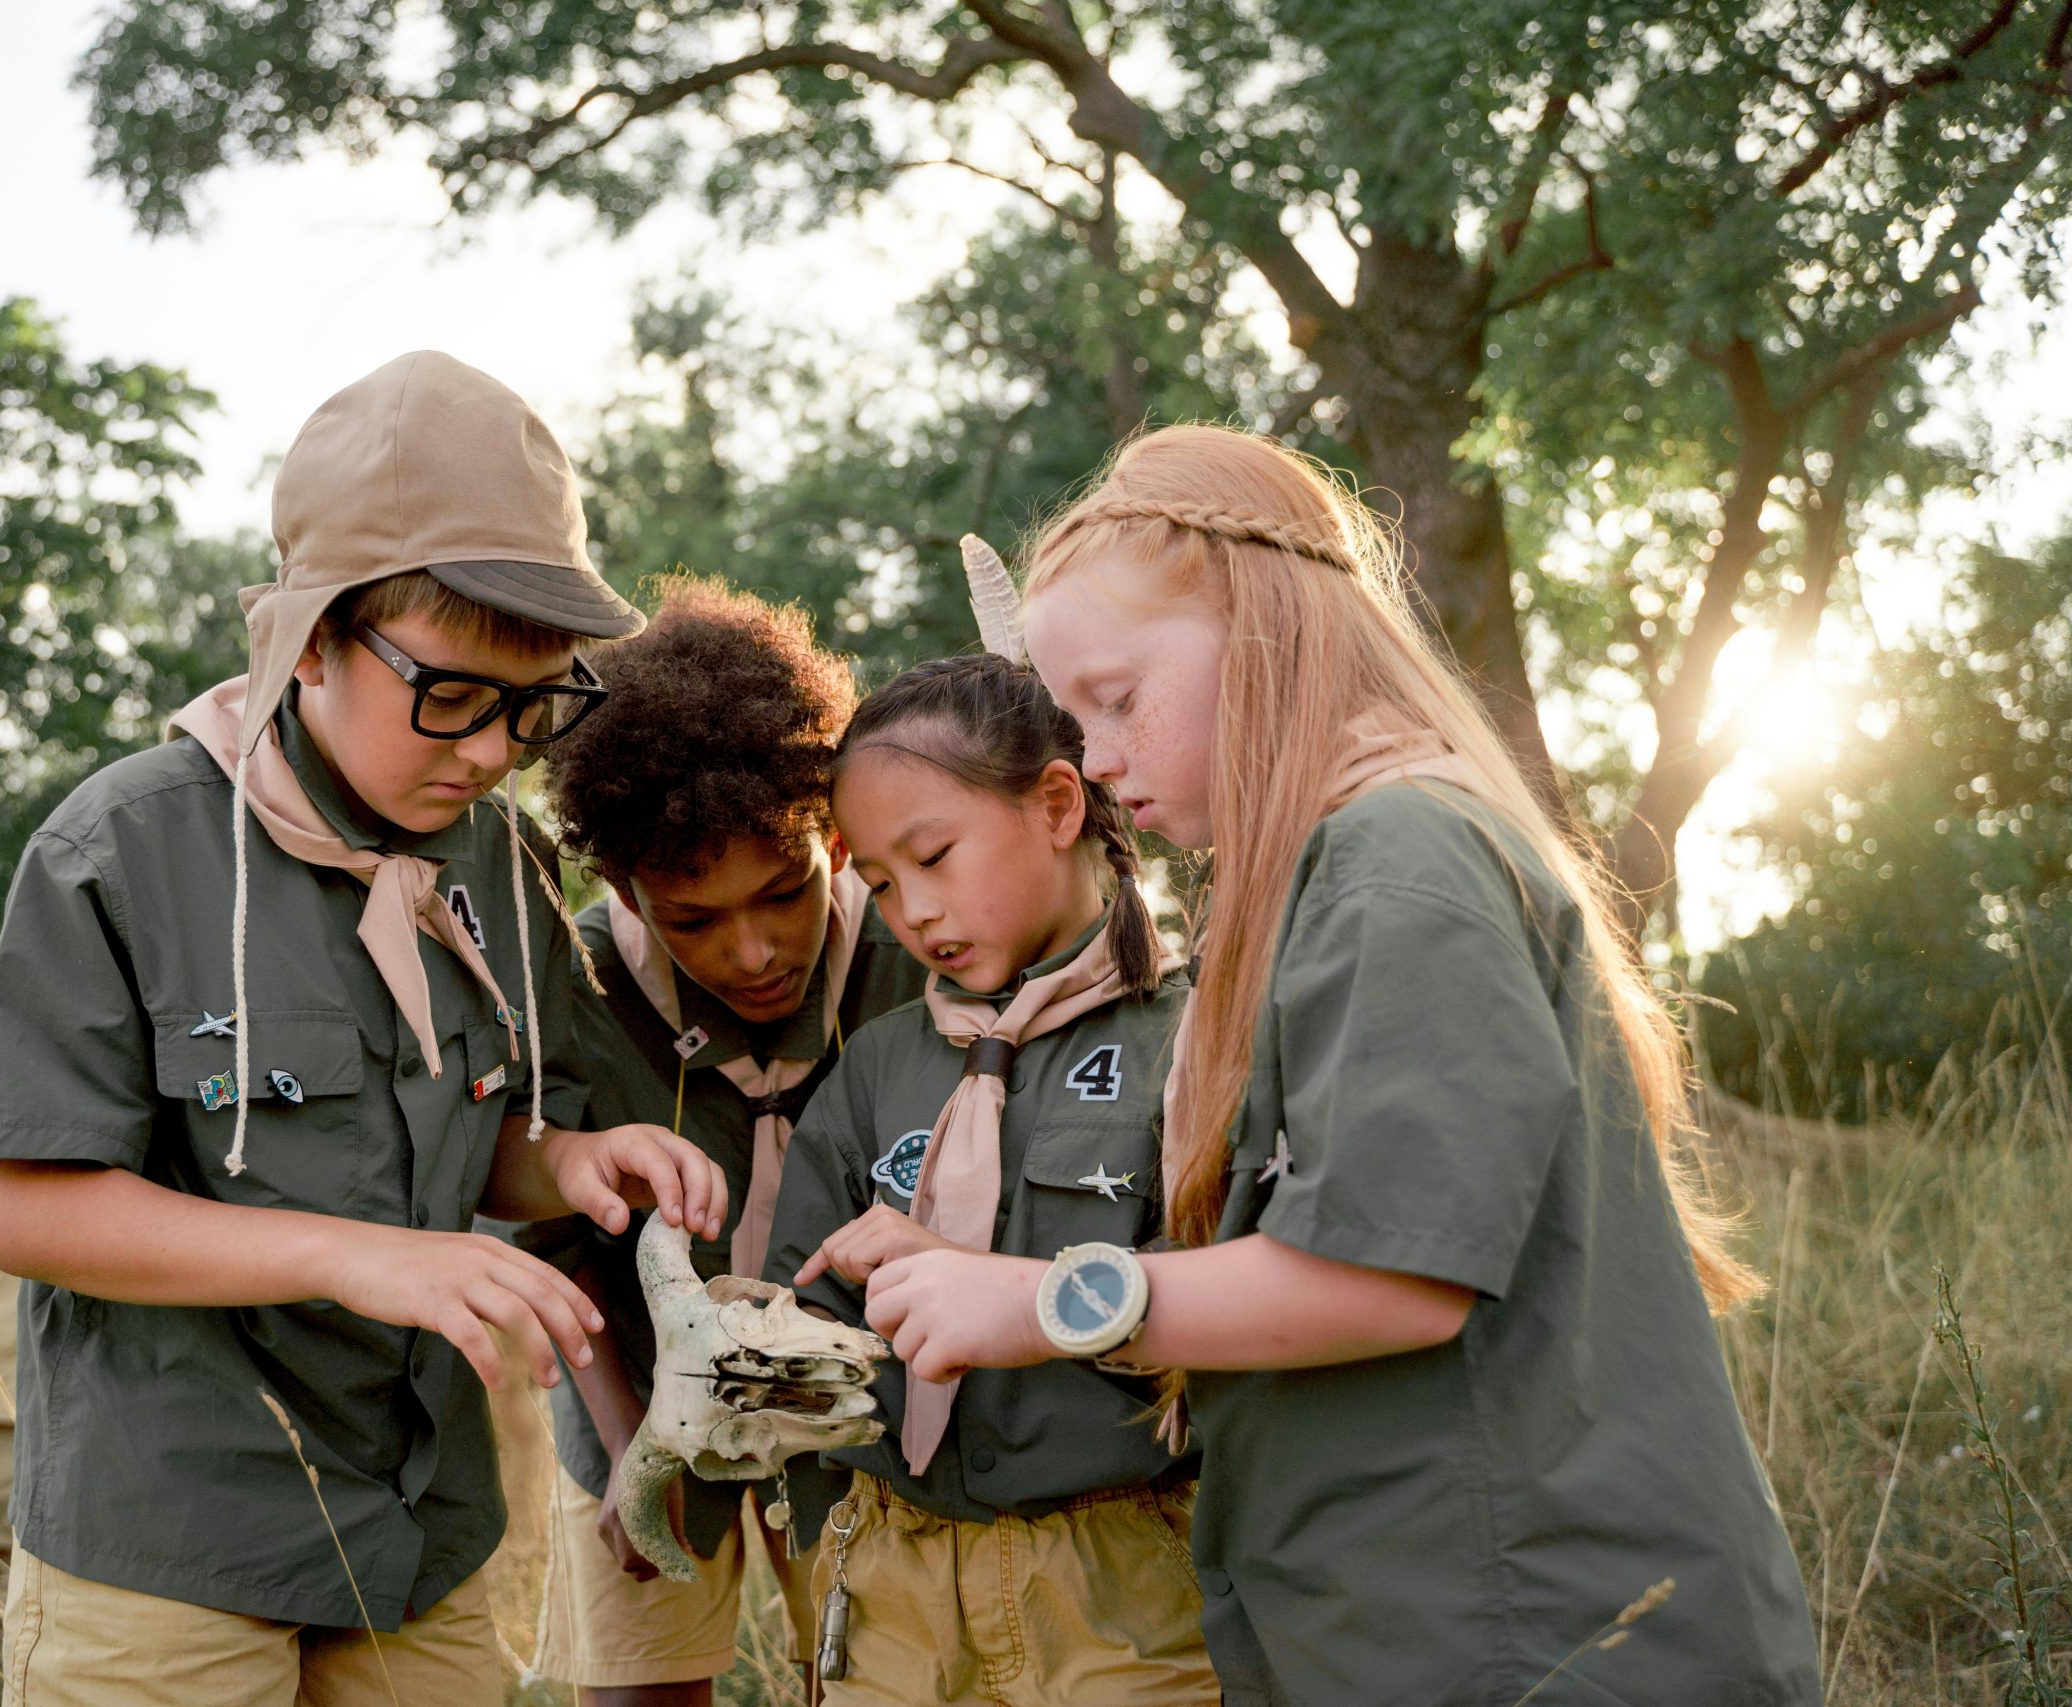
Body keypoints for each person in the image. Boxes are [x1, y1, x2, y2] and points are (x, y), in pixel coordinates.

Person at [860, 424, 1824, 1705]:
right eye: (1076, 721)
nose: (1095, 759)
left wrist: (1037, 1301)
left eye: (1119, 697)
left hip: (1528, 1633)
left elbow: (1390, 1278)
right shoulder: (1331, 873)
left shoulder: (1397, 860)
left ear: (1267, 627)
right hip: (1423, 1622)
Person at [0, 352, 728, 1706]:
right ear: (309, 638)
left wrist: (570, 1162)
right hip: (168, 1549)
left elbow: (480, 1138)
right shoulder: (122, 850)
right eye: (453, 698)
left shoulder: (501, 866)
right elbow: (23, 1207)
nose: (491, 751)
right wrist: (356, 1256)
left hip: (419, 1536)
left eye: (534, 704)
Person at [763, 653, 1221, 1706]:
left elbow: (1238, 1313)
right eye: (881, 884)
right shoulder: (876, 1065)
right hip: (895, 1580)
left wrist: (1002, 1289)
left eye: (934, 856)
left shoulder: (1195, 1040)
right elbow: (804, 1300)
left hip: (1123, 1582)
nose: (912, 912)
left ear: (1057, 804)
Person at [519, 578, 923, 1705]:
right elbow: (556, 1240)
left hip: (860, 1413)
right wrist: (627, 1451)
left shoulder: (913, 956)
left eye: (785, 893)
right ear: (622, 887)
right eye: (693, 919)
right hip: (638, 1400)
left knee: (867, 1674)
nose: (753, 953)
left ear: (832, 838)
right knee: (639, 1682)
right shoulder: (576, 986)